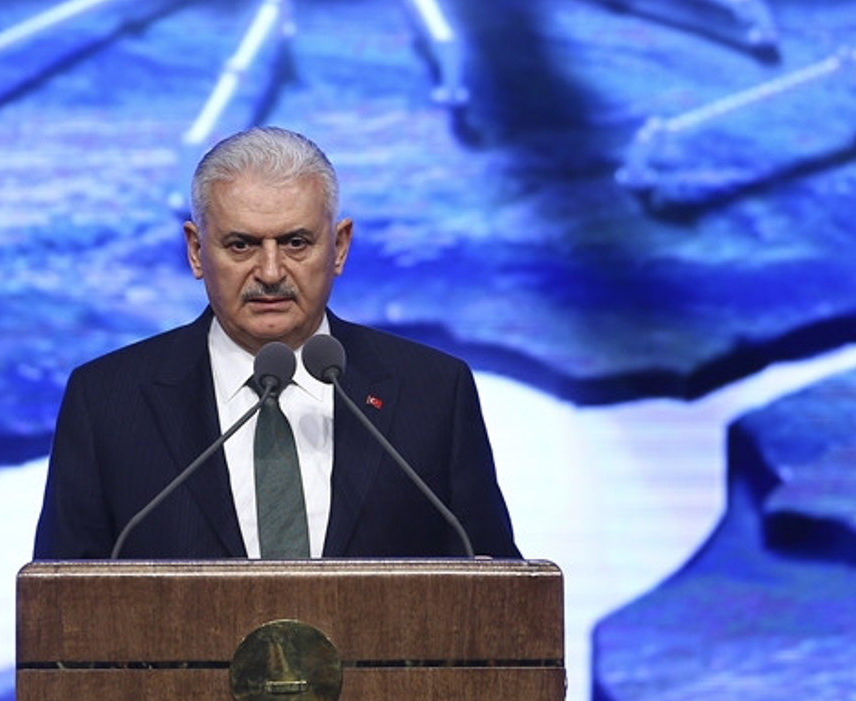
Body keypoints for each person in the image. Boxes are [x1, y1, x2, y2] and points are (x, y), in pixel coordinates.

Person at [33, 126, 520, 560]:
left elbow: (497, 590)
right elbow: (59, 604)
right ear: (197, 251)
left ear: (340, 247)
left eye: (295, 243)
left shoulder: (432, 392)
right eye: (241, 245)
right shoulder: (108, 401)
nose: (269, 272)